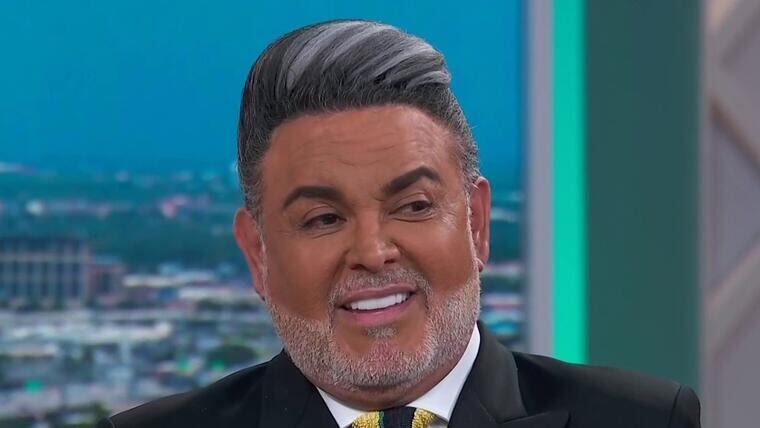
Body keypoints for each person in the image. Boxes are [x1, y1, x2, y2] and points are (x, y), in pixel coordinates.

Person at [97, 19, 700, 428]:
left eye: (413, 206)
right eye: (324, 218)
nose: (373, 250)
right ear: (257, 254)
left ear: (476, 223)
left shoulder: (644, 419)